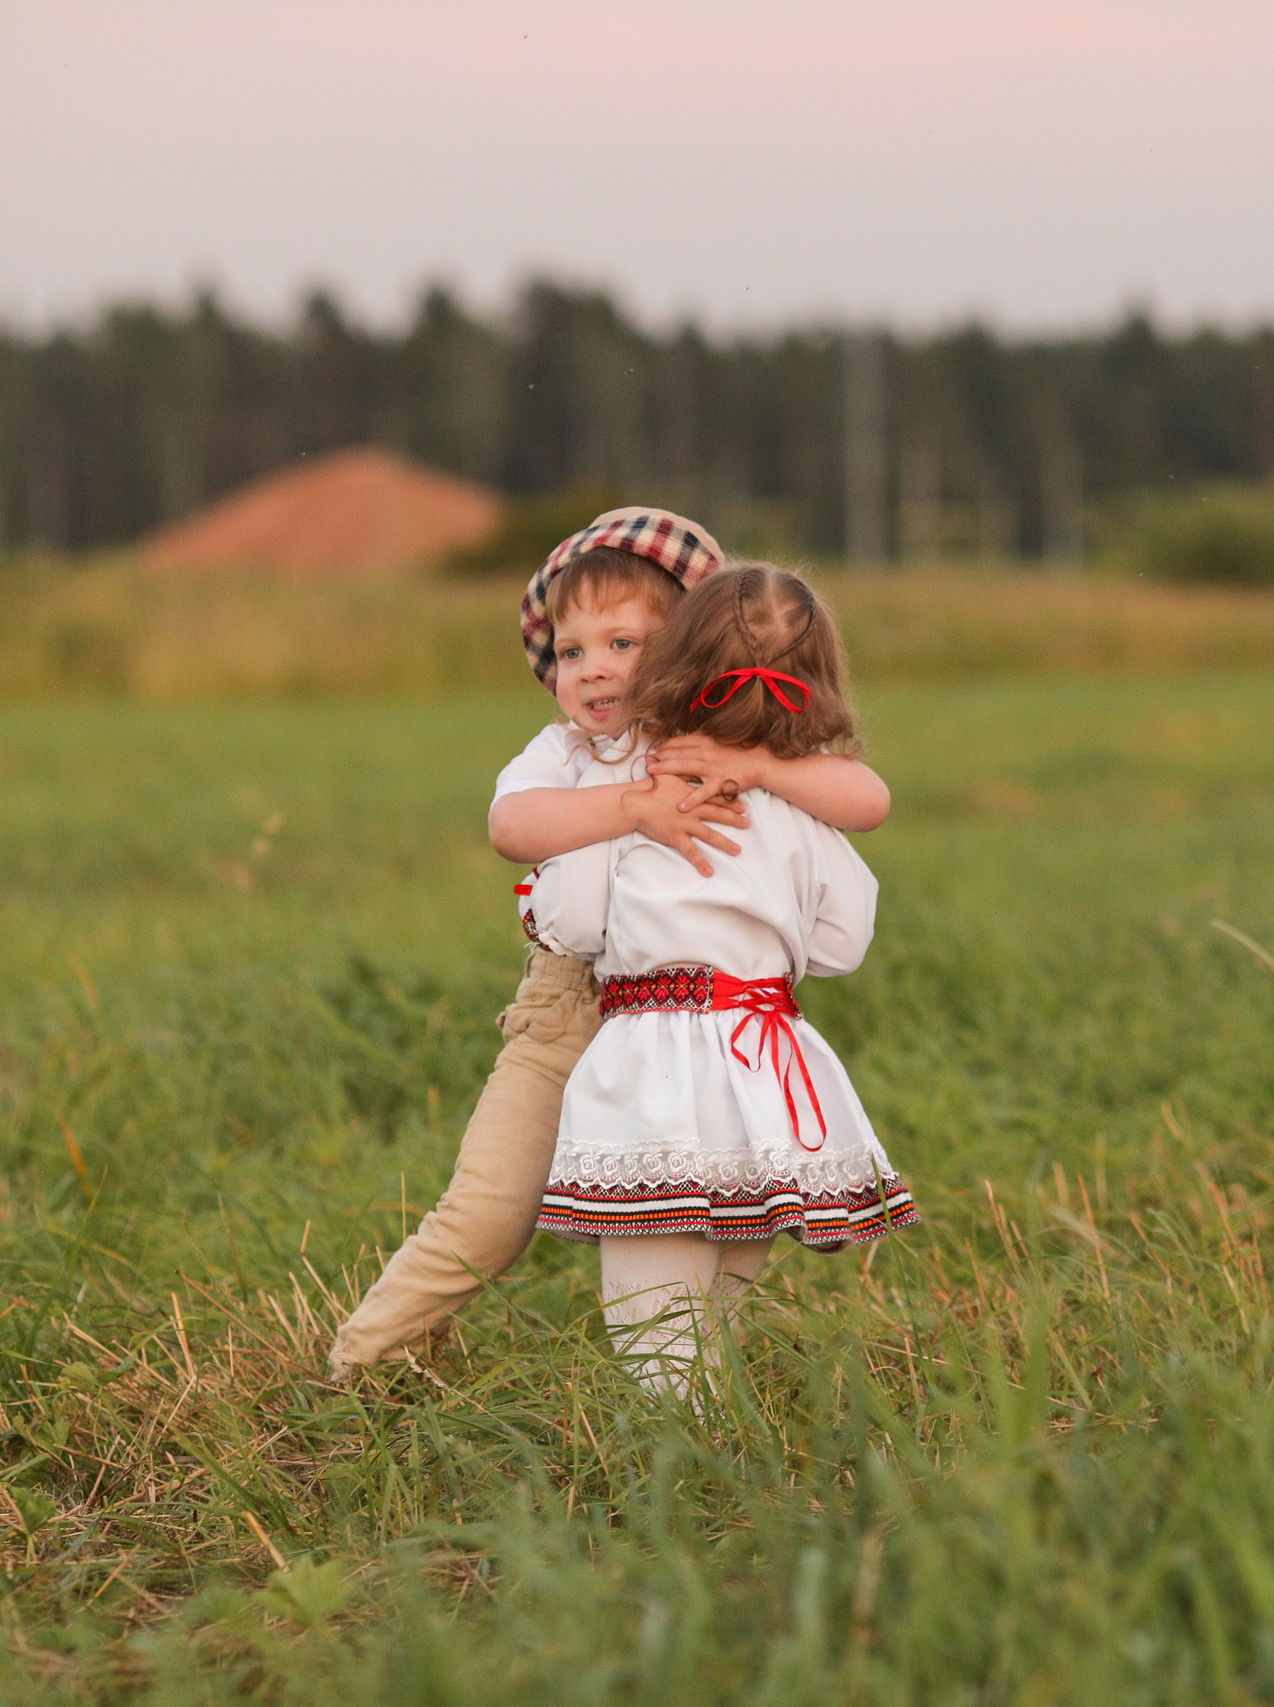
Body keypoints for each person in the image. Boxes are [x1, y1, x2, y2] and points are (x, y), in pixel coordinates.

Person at [328, 511, 890, 1381]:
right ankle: (368, 1364)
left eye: (622, 641)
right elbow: (513, 825)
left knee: (710, 1211)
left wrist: (766, 769)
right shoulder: (566, 753)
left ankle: (693, 1389)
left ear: (692, 646)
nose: (590, 668)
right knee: (490, 1211)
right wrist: (632, 807)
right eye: (569, 648)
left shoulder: (727, 742)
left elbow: (862, 794)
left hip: (704, 1028)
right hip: (571, 1015)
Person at [521, 563, 917, 1397]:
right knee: (718, 1320)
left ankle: (694, 1482)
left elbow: (578, 923)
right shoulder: (807, 810)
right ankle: (733, 1475)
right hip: (764, 1072)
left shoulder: (647, 793)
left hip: (656, 1073)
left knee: (659, 1335)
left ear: (672, 659)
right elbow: (843, 943)